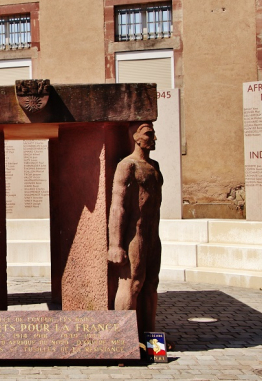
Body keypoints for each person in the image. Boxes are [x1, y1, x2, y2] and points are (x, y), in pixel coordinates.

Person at [108, 121, 163, 336]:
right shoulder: (127, 165)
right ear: (136, 137)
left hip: (153, 236)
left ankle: (150, 338)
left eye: (153, 133)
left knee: (151, 284)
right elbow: (118, 205)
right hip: (135, 236)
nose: (153, 138)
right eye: (149, 134)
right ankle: (123, 340)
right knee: (132, 284)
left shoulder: (155, 166)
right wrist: (115, 244)